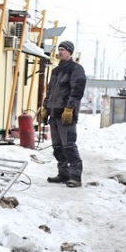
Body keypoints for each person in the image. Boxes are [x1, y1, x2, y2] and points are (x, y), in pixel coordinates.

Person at [42, 40, 88, 187]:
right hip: (54, 114)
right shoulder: (56, 71)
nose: (60, 52)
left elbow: (77, 91)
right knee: (57, 147)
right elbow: (49, 91)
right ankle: (63, 174)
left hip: (66, 116)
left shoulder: (76, 69)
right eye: (59, 49)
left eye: (63, 49)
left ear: (70, 52)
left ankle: (75, 177)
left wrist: (70, 109)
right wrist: (45, 108)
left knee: (69, 147)